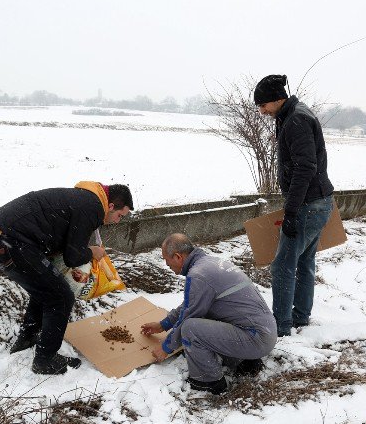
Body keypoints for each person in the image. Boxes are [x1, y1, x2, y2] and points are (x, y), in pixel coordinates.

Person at [0, 181, 133, 374]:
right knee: (61, 297)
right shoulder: (92, 206)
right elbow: (73, 256)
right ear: (111, 206)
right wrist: (91, 252)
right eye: (120, 215)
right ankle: (45, 360)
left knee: (46, 288)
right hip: (10, 241)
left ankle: (27, 338)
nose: (117, 221)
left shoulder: (84, 198)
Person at [141, 233, 277, 395]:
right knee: (202, 318)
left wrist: (166, 348)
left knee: (191, 328)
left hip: (256, 338)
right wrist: (163, 324)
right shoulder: (209, 264)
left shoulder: (199, 275)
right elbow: (190, 304)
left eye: (166, 259)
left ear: (178, 257)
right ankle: (245, 363)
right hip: (261, 332)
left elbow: (188, 316)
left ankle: (209, 382)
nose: (166, 264)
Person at [254, 74, 335, 337]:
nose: (261, 110)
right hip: (317, 201)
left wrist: (291, 210)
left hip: (308, 205)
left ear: (278, 99)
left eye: (263, 105)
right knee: (304, 261)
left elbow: (305, 167)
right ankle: (300, 318)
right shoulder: (292, 115)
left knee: (283, 266)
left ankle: (281, 327)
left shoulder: (296, 120)